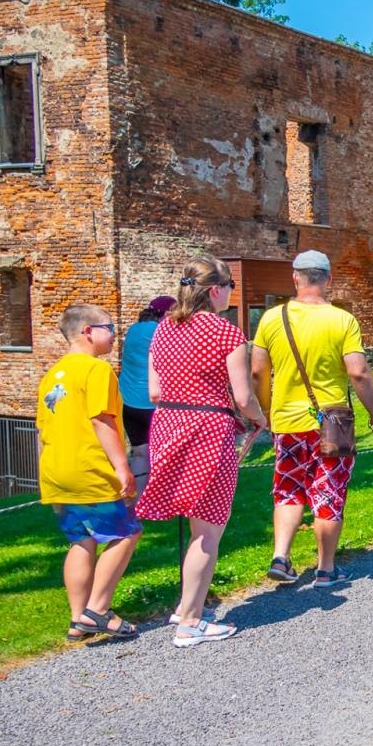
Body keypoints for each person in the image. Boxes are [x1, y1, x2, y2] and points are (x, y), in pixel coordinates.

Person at [137, 258, 268, 647]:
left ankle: (186, 605)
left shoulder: (163, 330)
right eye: (229, 285)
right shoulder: (225, 333)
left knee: (195, 525)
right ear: (214, 290)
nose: (232, 292)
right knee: (208, 529)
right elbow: (243, 397)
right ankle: (190, 621)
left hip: (167, 425)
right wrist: (260, 419)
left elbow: (155, 393)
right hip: (207, 429)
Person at [251, 250, 373, 588]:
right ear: (328, 279)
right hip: (333, 424)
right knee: (328, 492)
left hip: (287, 423)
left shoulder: (271, 318)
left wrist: (265, 411)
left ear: (295, 278)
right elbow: (358, 372)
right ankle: (325, 569)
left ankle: (281, 556)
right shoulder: (342, 320)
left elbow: (257, 371)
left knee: (288, 489)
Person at [37, 303, 142, 641]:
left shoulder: (53, 374)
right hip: (89, 469)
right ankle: (97, 610)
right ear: (87, 332)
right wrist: (122, 467)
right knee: (126, 533)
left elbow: (44, 427)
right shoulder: (96, 370)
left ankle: (76, 618)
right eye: (109, 328)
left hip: (56, 470)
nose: (114, 335)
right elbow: (102, 420)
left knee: (81, 541)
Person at [119, 295, 174, 493]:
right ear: (167, 313)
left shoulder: (133, 330)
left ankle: (139, 500)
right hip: (153, 402)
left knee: (140, 453)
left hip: (129, 403)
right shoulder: (162, 331)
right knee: (163, 452)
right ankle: (164, 498)